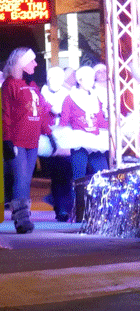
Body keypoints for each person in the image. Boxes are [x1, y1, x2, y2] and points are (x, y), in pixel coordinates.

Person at [2, 48, 53, 233]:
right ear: (22, 63)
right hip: (16, 139)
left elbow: (40, 113)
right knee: (21, 178)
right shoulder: (10, 85)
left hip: (32, 140)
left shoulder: (33, 86)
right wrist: (6, 139)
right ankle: (21, 220)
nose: (36, 64)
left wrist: (48, 133)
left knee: (26, 178)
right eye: (32, 61)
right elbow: (5, 114)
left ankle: (24, 216)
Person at [62, 66, 110, 189]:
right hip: (79, 141)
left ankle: (101, 203)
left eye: (92, 79)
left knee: (104, 174)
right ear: (79, 80)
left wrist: (114, 126)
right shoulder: (70, 98)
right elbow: (64, 121)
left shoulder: (95, 97)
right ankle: (78, 206)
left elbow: (100, 121)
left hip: (95, 140)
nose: (91, 82)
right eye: (87, 79)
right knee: (79, 178)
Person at [39, 65, 75, 221]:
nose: (56, 81)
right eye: (53, 78)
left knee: (65, 173)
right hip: (48, 137)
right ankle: (59, 205)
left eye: (59, 78)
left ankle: (62, 207)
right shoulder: (42, 93)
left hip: (65, 136)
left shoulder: (68, 94)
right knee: (56, 174)